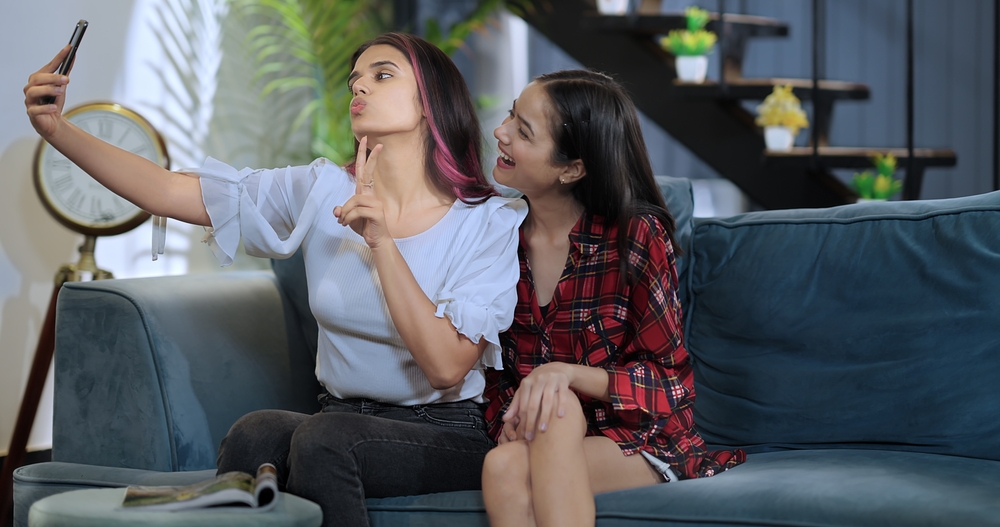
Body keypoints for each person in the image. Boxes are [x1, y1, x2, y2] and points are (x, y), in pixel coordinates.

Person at [25, 32, 526, 527]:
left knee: (323, 441)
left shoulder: (484, 221)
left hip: (442, 432)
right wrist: (57, 130)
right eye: (354, 80)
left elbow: (445, 368)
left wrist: (382, 242)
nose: (359, 88)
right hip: (339, 416)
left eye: (382, 75)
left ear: (429, 101)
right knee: (256, 432)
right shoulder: (319, 188)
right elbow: (167, 190)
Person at [480, 70, 746, 527]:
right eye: (510, 115)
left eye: (522, 130)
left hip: (639, 440)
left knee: (558, 404)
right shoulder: (497, 235)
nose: (499, 132)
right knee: (501, 465)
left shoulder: (634, 236)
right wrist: (509, 413)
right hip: (537, 430)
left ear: (572, 168)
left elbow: (670, 385)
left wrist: (565, 374)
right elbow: (492, 373)